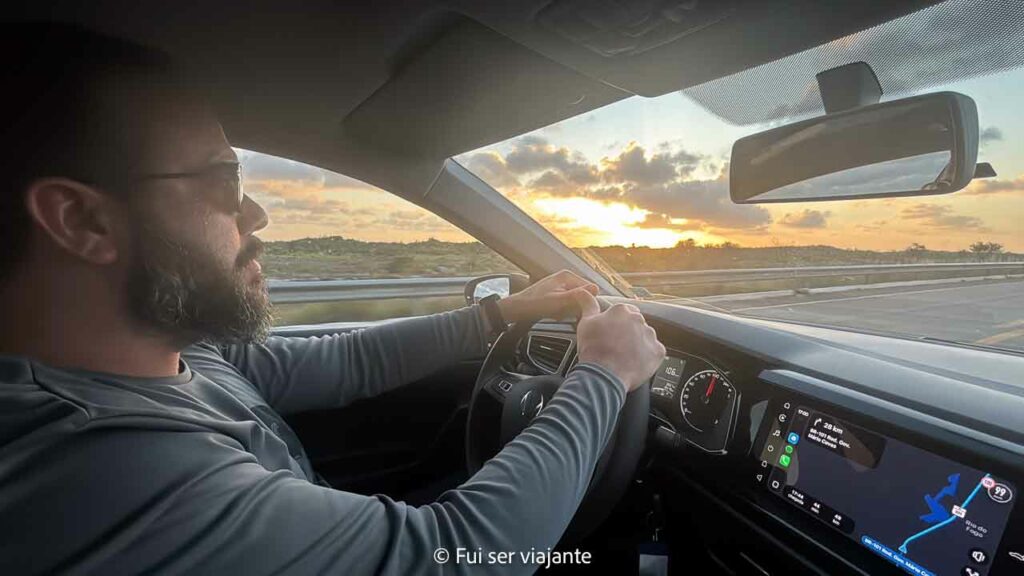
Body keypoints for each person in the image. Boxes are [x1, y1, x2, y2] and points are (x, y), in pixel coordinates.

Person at [0, 22, 666, 575]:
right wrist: (603, 374)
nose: (254, 213)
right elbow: (468, 555)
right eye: (222, 181)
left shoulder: (171, 352)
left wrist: (499, 314)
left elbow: (348, 363)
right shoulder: (98, 469)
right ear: (83, 222)